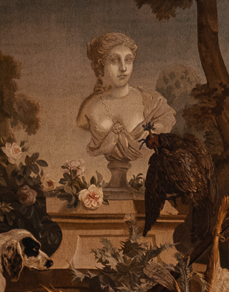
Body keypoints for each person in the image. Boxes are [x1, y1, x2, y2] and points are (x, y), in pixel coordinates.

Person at [75, 31, 177, 194]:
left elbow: (164, 123)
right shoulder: (90, 108)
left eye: (128, 60)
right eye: (114, 60)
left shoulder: (152, 103)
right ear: (101, 65)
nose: (123, 68)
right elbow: (81, 122)